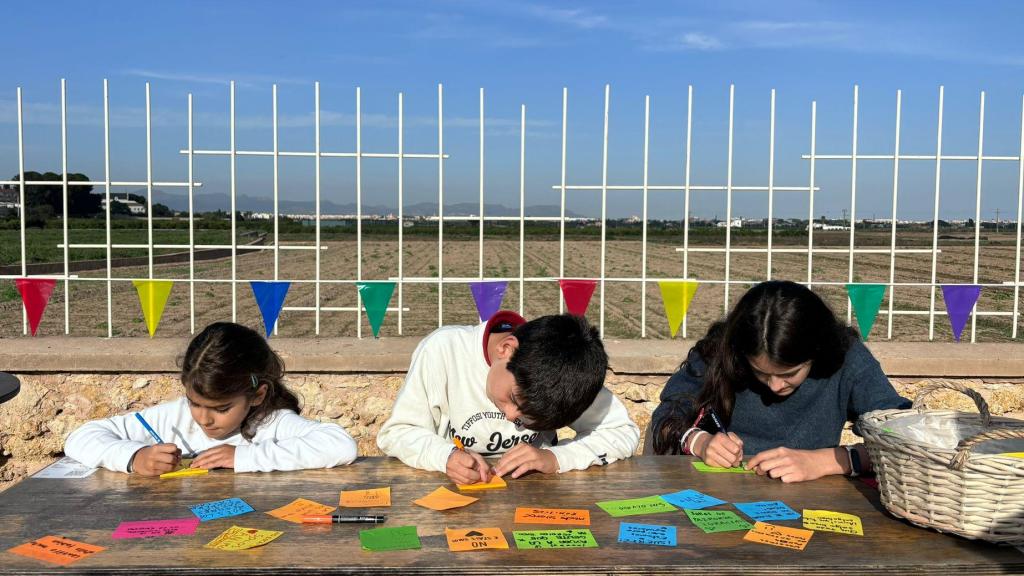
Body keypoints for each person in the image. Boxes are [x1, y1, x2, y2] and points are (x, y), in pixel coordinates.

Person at [651, 280, 910, 483]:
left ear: (817, 353)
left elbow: (906, 439)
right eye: (761, 373)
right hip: (720, 498)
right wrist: (700, 441)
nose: (774, 386)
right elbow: (665, 418)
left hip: (816, 504)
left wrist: (828, 461)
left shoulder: (848, 358)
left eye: (789, 374)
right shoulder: (720, 351)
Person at [377, 311, 640, 484]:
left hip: (538, 500)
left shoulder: (567, 373)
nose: (513, 417)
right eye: (514, 399)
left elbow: (622, 432)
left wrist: (557, 458)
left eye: (530, 417)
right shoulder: (444, 350)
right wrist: (444, 456)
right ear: (506, 350)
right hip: (455, 502)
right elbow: (397, 433)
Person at [65, 322, 357, 476]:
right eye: (195, 403)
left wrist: (243, 457)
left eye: (221, 408)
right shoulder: (173, 417)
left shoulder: (271, 424)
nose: (204, 419)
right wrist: (133, 457)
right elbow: (80, 437)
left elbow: (340, 445)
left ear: (257, 396)